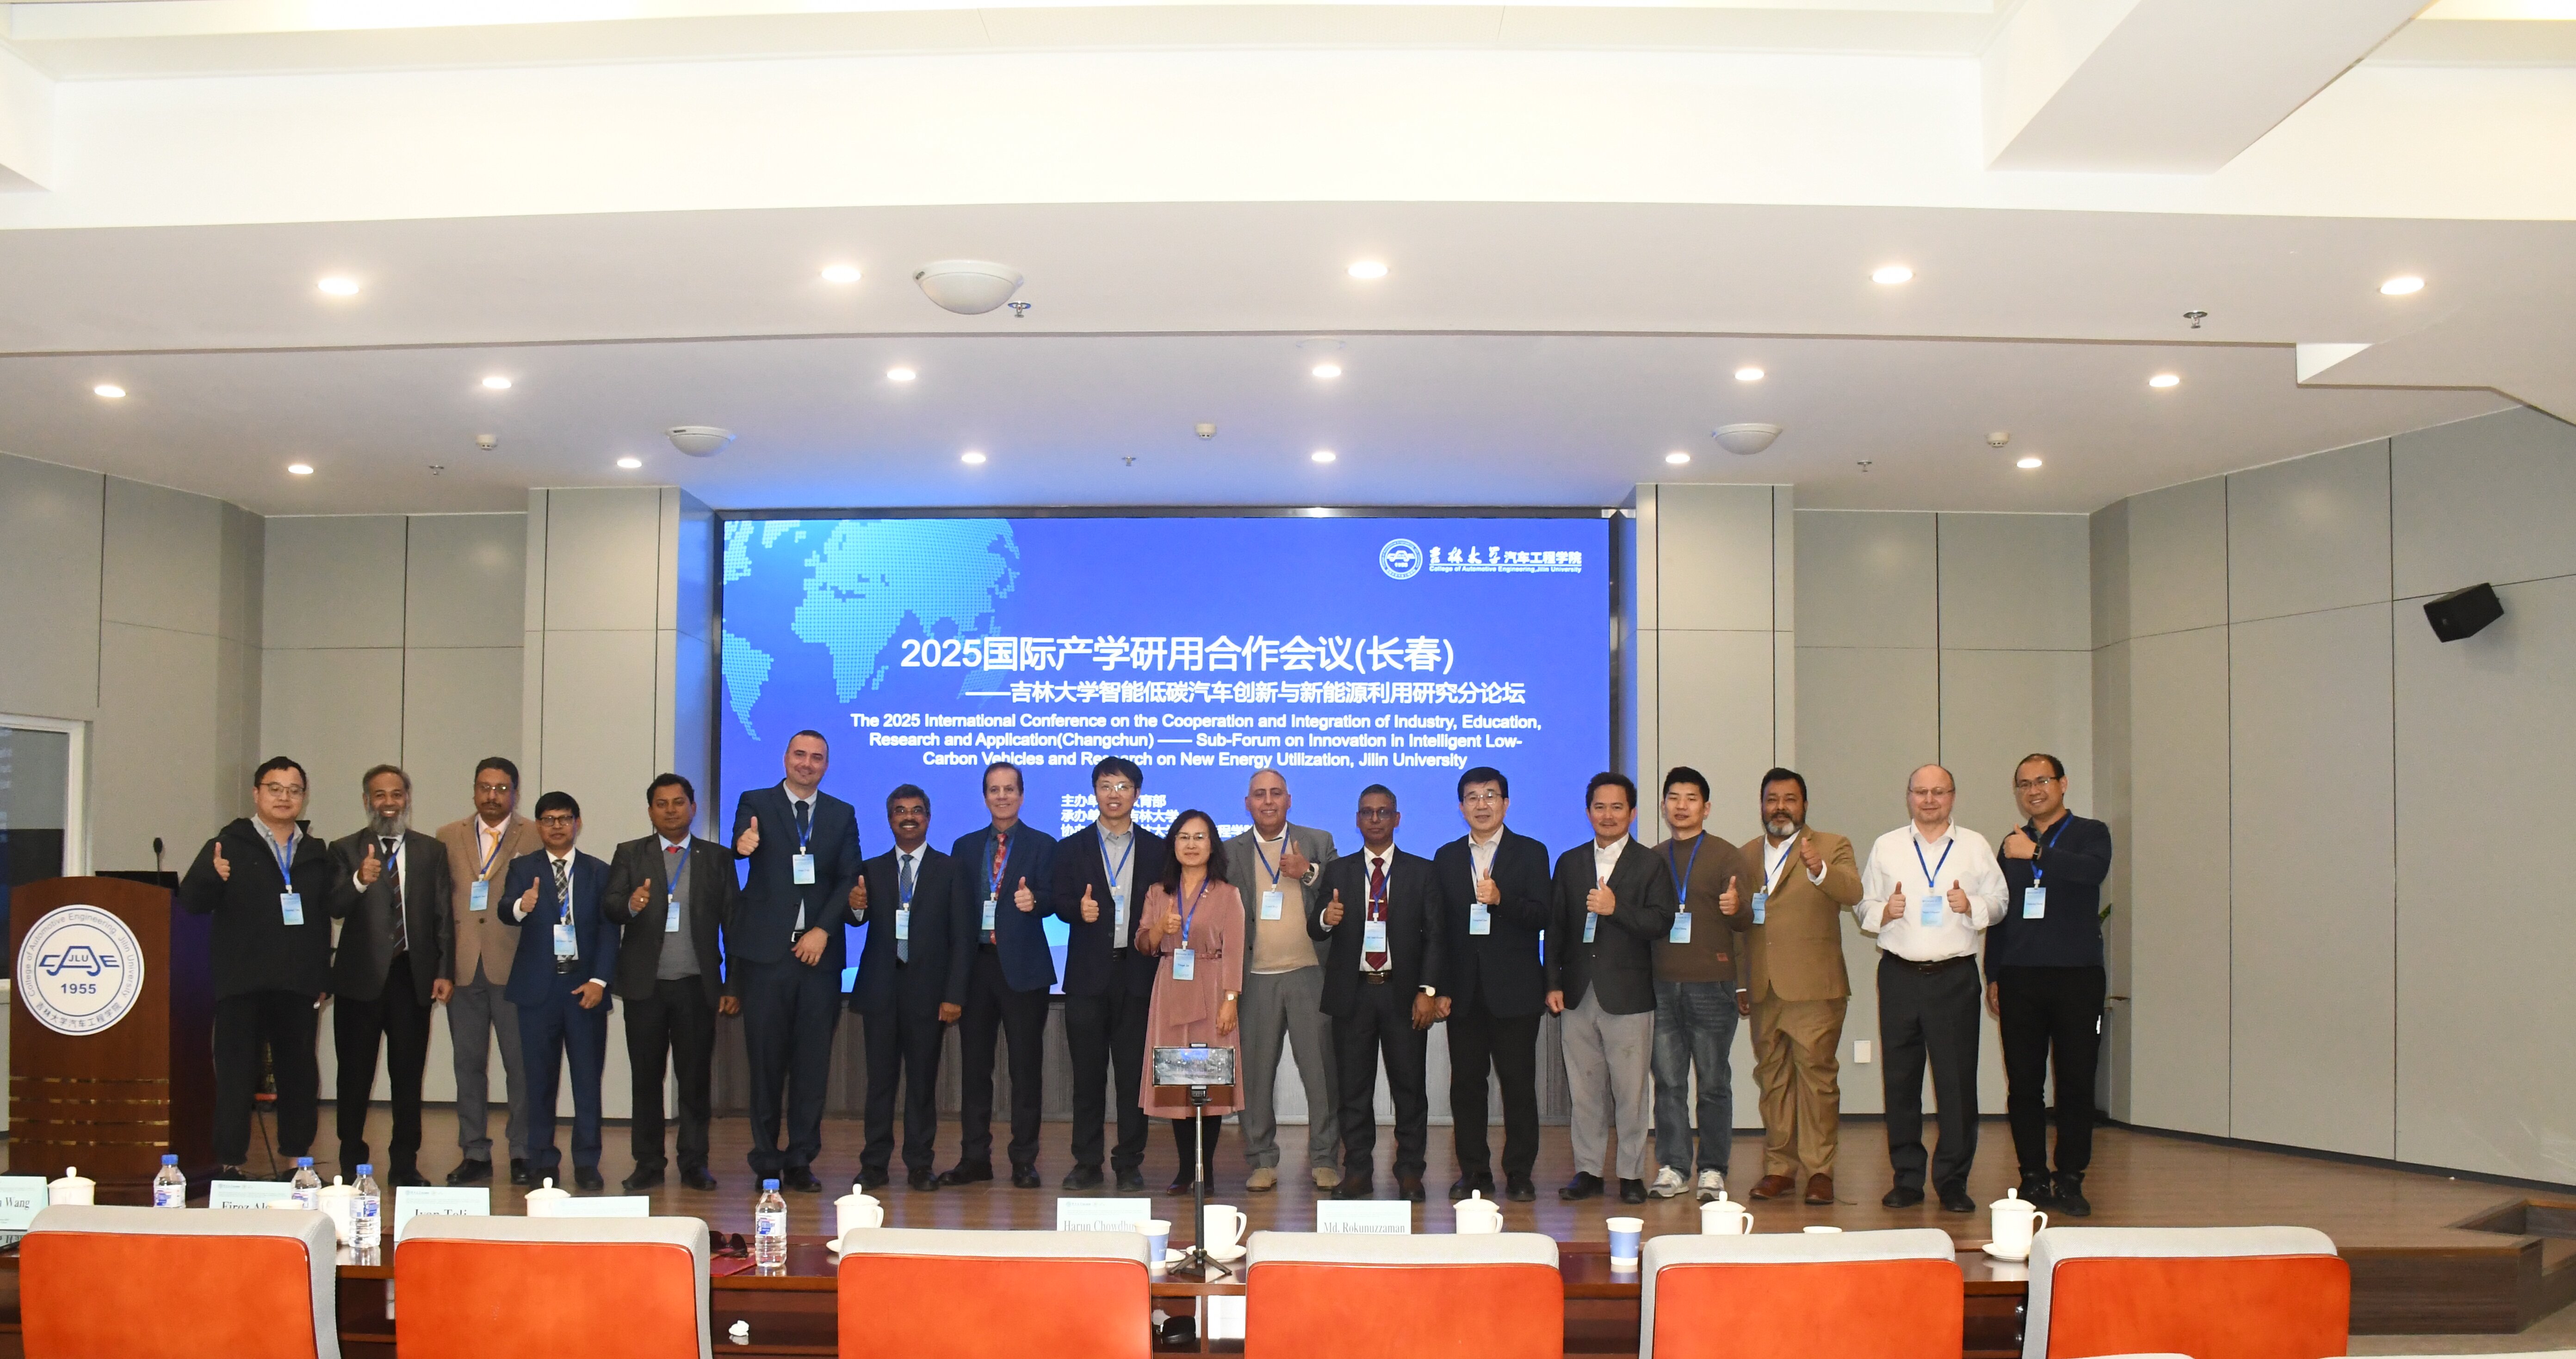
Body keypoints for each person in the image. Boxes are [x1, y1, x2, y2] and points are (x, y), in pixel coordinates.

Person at [180, 756, 365, 1180]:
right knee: (236, 1077)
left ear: (304, 797)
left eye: (294, 790)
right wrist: (211, 876)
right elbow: (192, 902)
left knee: (299, 1077)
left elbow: (325, 915)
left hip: (298, 984)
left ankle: (298, 1164)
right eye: (275, 789)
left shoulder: (314, 852)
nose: (285, 797)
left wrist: (323, 975)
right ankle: (230, 1164)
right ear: (256, 793)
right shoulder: (227, 845)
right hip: (241, 983)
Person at [1858, 764, 2008, 1213]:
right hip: (1899, 975)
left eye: (1938, 792)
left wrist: (1972, 904)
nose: (1929, 800)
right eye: (1921, 792)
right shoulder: (1887, 845)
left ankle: (1953, 1181)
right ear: (1909, 796)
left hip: (1954, 977)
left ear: (1952, 797)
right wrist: (1885, 911)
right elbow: (1864, 904)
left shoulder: (1975, 846)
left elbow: (2001, 903)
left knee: (1956, 1083)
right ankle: (1907, 1179)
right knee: (1901, 1081)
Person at [729, 730, 863, 1192]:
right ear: (785, 757)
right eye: (800, 754)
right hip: (766, 957)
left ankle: (801, 1159)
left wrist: (822, 929)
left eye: (817, 758)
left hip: (819, 958)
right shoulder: (756, 802)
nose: (807, 763)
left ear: (826, 765)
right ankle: (767, 1160)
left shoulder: (842, 813)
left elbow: (849, 876)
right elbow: (740, 842)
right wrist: (743, 844)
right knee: (766, 1064)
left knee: (811, 1065)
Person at [1985, 753, 2113, 1217]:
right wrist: (1993, 974)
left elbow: (2091, 871)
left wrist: (2037, 854)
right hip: (2020, 976)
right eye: (2024, 784)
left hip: (2078, 976)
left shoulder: (2091, 832)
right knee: (2024, 1084)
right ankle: (2033, 1176)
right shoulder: (2010, 844)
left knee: (2076, 1081)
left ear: (2063, 784)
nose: (2033, 790)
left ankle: (2071, 1177)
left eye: (2042, 781)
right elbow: (2000, 914)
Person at [603, 773, 739, 1192]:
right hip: (645, 987)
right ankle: (648, 1162)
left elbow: (733, 923)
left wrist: (732, 985)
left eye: (678, 803)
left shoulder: (716, 858)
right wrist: (631, 904)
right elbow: (610, 906)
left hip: (697, 985)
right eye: (661, 804)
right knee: (646, 1079)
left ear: (693, 808)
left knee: (694, 1080)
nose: (670, 810)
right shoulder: (630, 853)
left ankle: (694, 1163)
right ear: (650, 811)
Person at [1547, 772, 1677, 1206]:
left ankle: (1631, 1174)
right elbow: (1557, 927)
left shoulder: (1650, 864)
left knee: (1631, 1093)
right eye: (1600, 807)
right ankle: (1587, 1171)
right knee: (1584, 1092)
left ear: (1632, 813)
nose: (1608, 815)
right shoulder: (1570, 862)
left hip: (1629, 995)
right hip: (1577, 993)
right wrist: (1553, 983)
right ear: (1588, 813)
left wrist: (1616, 909)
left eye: (1617, 807)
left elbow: (1660, 922)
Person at [1736, 767, 1863, 1207]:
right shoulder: (1745, 855)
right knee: (1772, 1080)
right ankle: (1779, 1169)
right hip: (1763, 987)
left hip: (1815, 988)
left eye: (1790, 799)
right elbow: (1740, 925)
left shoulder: (1831, 845)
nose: (1780, 808)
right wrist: (1740, 983)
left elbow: (1853, 892)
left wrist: (1820, 870)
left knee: (1817, 1082)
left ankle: (1820, 1170)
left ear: (1804, 805)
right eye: (1772, 799)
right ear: (1762, 805)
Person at [1310, 785, 1442, 1202]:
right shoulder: (1340, 871)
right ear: (1357, 820)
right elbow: (1316, 927)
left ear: (1397, 819)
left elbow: (1436, 937)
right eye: (1367, 812)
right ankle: (1358, 1172)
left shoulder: (1422, 871)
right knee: (1353, 1090)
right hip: (1354, 995)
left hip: (1403, 994)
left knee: (1410, 1089)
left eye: (1383, 812)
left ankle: (1410, 1172)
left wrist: (1428, 990)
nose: (1375, 819)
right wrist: (1327, 918)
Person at [329, 764, 452, 1188]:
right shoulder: (344, 849)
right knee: (354, 1077)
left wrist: (444, 970)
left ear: (407, 799)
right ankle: (351, 1162)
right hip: (359, 981)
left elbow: (443, 916)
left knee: (407, 1077)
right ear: (367, 801)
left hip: (411, 977)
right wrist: (359, 882)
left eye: (396, 795)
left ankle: (404, 1164)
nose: (389, 803)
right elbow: (334, 907)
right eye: (380, 795)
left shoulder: (430, 851)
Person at [1432, 766, 1551, 1202]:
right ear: (1461, 807)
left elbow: (1543, 915)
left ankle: (1519, 1173)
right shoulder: (1446, 857)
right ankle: (1474, 1173)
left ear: (1506, 803)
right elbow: (1439, 930)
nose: (1482, 805)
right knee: (1467, 1087)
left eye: (1490, 796)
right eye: (1473, 797)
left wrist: (1502, 901)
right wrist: (1440, 988)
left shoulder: (1531, 852)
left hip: (1515, 991)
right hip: (1463, 994)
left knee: (1518, 1085)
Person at [1219, 768, 1339, 1193]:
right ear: (1247, 804)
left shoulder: (1318, 842)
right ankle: (1261, 1160)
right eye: (1259, 795)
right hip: (1255, 978)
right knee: (1254, 1076)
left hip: (1310, 974)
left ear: (1289, 800)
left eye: (1275, 793)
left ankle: (1325, 1158)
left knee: (1321, 1074)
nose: (1268, 801)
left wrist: (1307, 872)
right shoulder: (1229, 852)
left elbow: (1340, 892)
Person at [940, 762, 1057, 1189]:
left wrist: (1036, 901)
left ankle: (1024, 1160)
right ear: (985, 796)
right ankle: (975, 1159)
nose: (1003, 796)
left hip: (1023, 970)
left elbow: (1055, 899)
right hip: (976, 968)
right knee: (975, 1070)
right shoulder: (965, 846)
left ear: (1022, 796)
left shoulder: (1044, 844)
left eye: (1010, 789)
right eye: (995, 790)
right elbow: (956, 909)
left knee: (1025, 1071)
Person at [1053, 757, 1168, 1193]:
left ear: (1137, 793)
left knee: (1132, 1077)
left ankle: (1129, 1163)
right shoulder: (1072, 847)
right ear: (1095, 792)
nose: (1114, 794)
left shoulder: (1158, 850)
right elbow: (1058, 901)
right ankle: (1086, 1163)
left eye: (1122, 786)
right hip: (1087, 978)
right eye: (1105, 786)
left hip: (1138, 976)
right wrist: (1075, 910)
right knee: (1087, 1077)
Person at [499, 791, 619, 1191]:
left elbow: (609, 931)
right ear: (538, 825)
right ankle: (542, 1160)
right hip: (537, 991)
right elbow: (504, 910)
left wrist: (600, 981)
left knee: (587, 1081)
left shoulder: (598, 871)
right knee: (539, 1082)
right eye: (549, 819)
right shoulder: (522, 868)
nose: (557, 826)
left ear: (577, 823)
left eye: (564, 819)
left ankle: (587, 1162)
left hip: (584, 991)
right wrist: (522, 905)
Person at [851, 785, 968, 1192]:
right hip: (880, 991)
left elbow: (961, 937)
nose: (909, 817)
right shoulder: (871, 869)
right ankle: (874, 1165)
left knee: (921, 1084)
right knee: (879, 1084)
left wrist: (954, 995)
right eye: (900, 811)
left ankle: (920, 1164)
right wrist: (856, 906)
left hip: (929, 995)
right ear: (890, 820)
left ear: (928, 818)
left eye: (916, 811)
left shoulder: (950, 869)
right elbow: (854, 918)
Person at [436, 756, 543, 1186]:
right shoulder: (447, 836)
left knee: (521, 1066)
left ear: (515, 792)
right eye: (485, 787)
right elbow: (440, 907)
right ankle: (474, 1151)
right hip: (464, 968)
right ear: (474, 790)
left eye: (502, 789)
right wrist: (441, 967)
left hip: (516, 967)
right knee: (468, 1065)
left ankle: (522, 1151)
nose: (492, 796)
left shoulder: (534, 834)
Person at [1647, 766, 1752, 1203]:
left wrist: (1736, 906)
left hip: (1713, 986)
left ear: (1706, 808)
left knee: (1712, 1083)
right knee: (1669, 1083)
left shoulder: (1728, 856)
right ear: (1664, 806)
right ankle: (1674, 1167)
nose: (1682, 806)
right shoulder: (1653, 858)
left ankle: (1712, 1169)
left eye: (1691, 798)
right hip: (1661, 987)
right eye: (1674, 798)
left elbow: (1748, 921)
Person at [1138, 809, 1247, 1193]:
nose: (1191, 845)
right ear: (1173, 844)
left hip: (1213, 987)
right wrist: (1159, 929)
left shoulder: (1228, 894)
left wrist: (1231, 999)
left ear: (1212, 845)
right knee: (1176, 1080)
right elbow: (1144, 945)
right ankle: (1186, 1170)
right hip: (1170, 988)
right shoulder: (1158, 893)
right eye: (1184, 837)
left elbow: (1235, 951)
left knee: (1208, 1081)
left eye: (1200, 837)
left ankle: (1206, 1171)